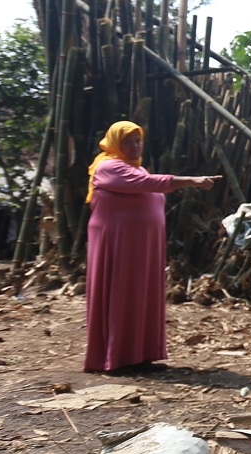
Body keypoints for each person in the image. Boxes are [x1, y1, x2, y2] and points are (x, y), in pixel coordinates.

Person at [83, 120, 220, 373]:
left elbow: (146, 184)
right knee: (121, 294)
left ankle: (142, 356)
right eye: (128, 141)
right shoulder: (108, 166)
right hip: (119, 244)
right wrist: (192, 180)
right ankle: (117, 358)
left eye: (138, 141)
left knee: (142, 295)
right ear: (115, 142)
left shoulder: (134, 168)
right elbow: (148, 184)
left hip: (141, 245)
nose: (135, 146)